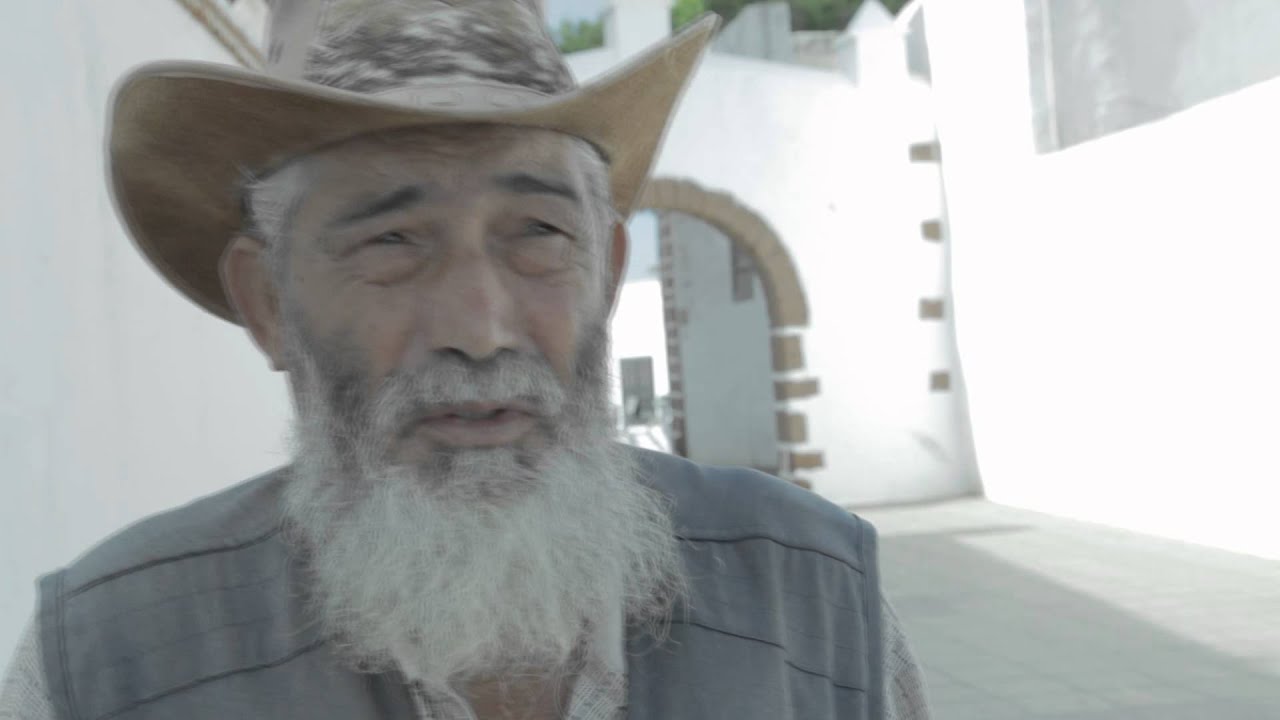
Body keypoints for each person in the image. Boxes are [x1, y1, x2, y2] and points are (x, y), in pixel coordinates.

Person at [0, 1, 930, 718]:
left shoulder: (815, 595)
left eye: (538, 233)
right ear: (269, 303)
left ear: (606, 273)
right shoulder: (107, 662)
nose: (481, 329)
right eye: (392, 241)